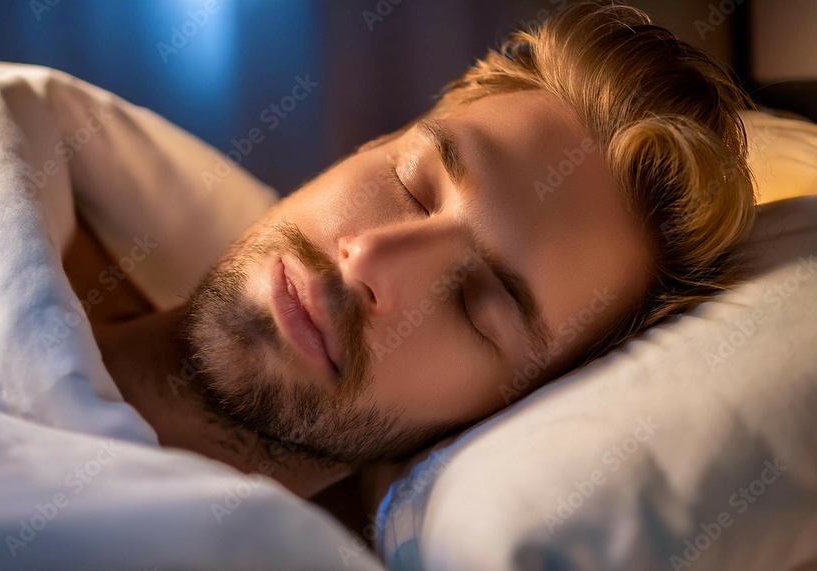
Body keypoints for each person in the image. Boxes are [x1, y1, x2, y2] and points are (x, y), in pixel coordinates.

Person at [67, 2, 756, 500]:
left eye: (477, 306)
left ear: (509, 410)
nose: (369, 259)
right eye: (411, 185)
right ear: (374, 143)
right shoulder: (37, 184)